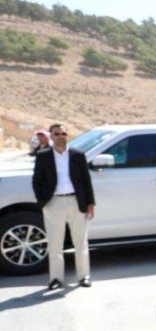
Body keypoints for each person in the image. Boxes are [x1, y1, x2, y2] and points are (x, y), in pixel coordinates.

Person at [31, 123, 95, 290]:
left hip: (77, 202)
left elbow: (86, 181)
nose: (60, 136)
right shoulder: (43, 156)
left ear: (67, 135)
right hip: (54, 203)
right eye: (57, 134)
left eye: (63, 133)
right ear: (51, 136)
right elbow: (37, 181)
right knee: (55, 243)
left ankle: (84, 276)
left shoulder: (78, 155)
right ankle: (55, 278)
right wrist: (43, 202)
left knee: (81, 242)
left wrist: (90, 203)